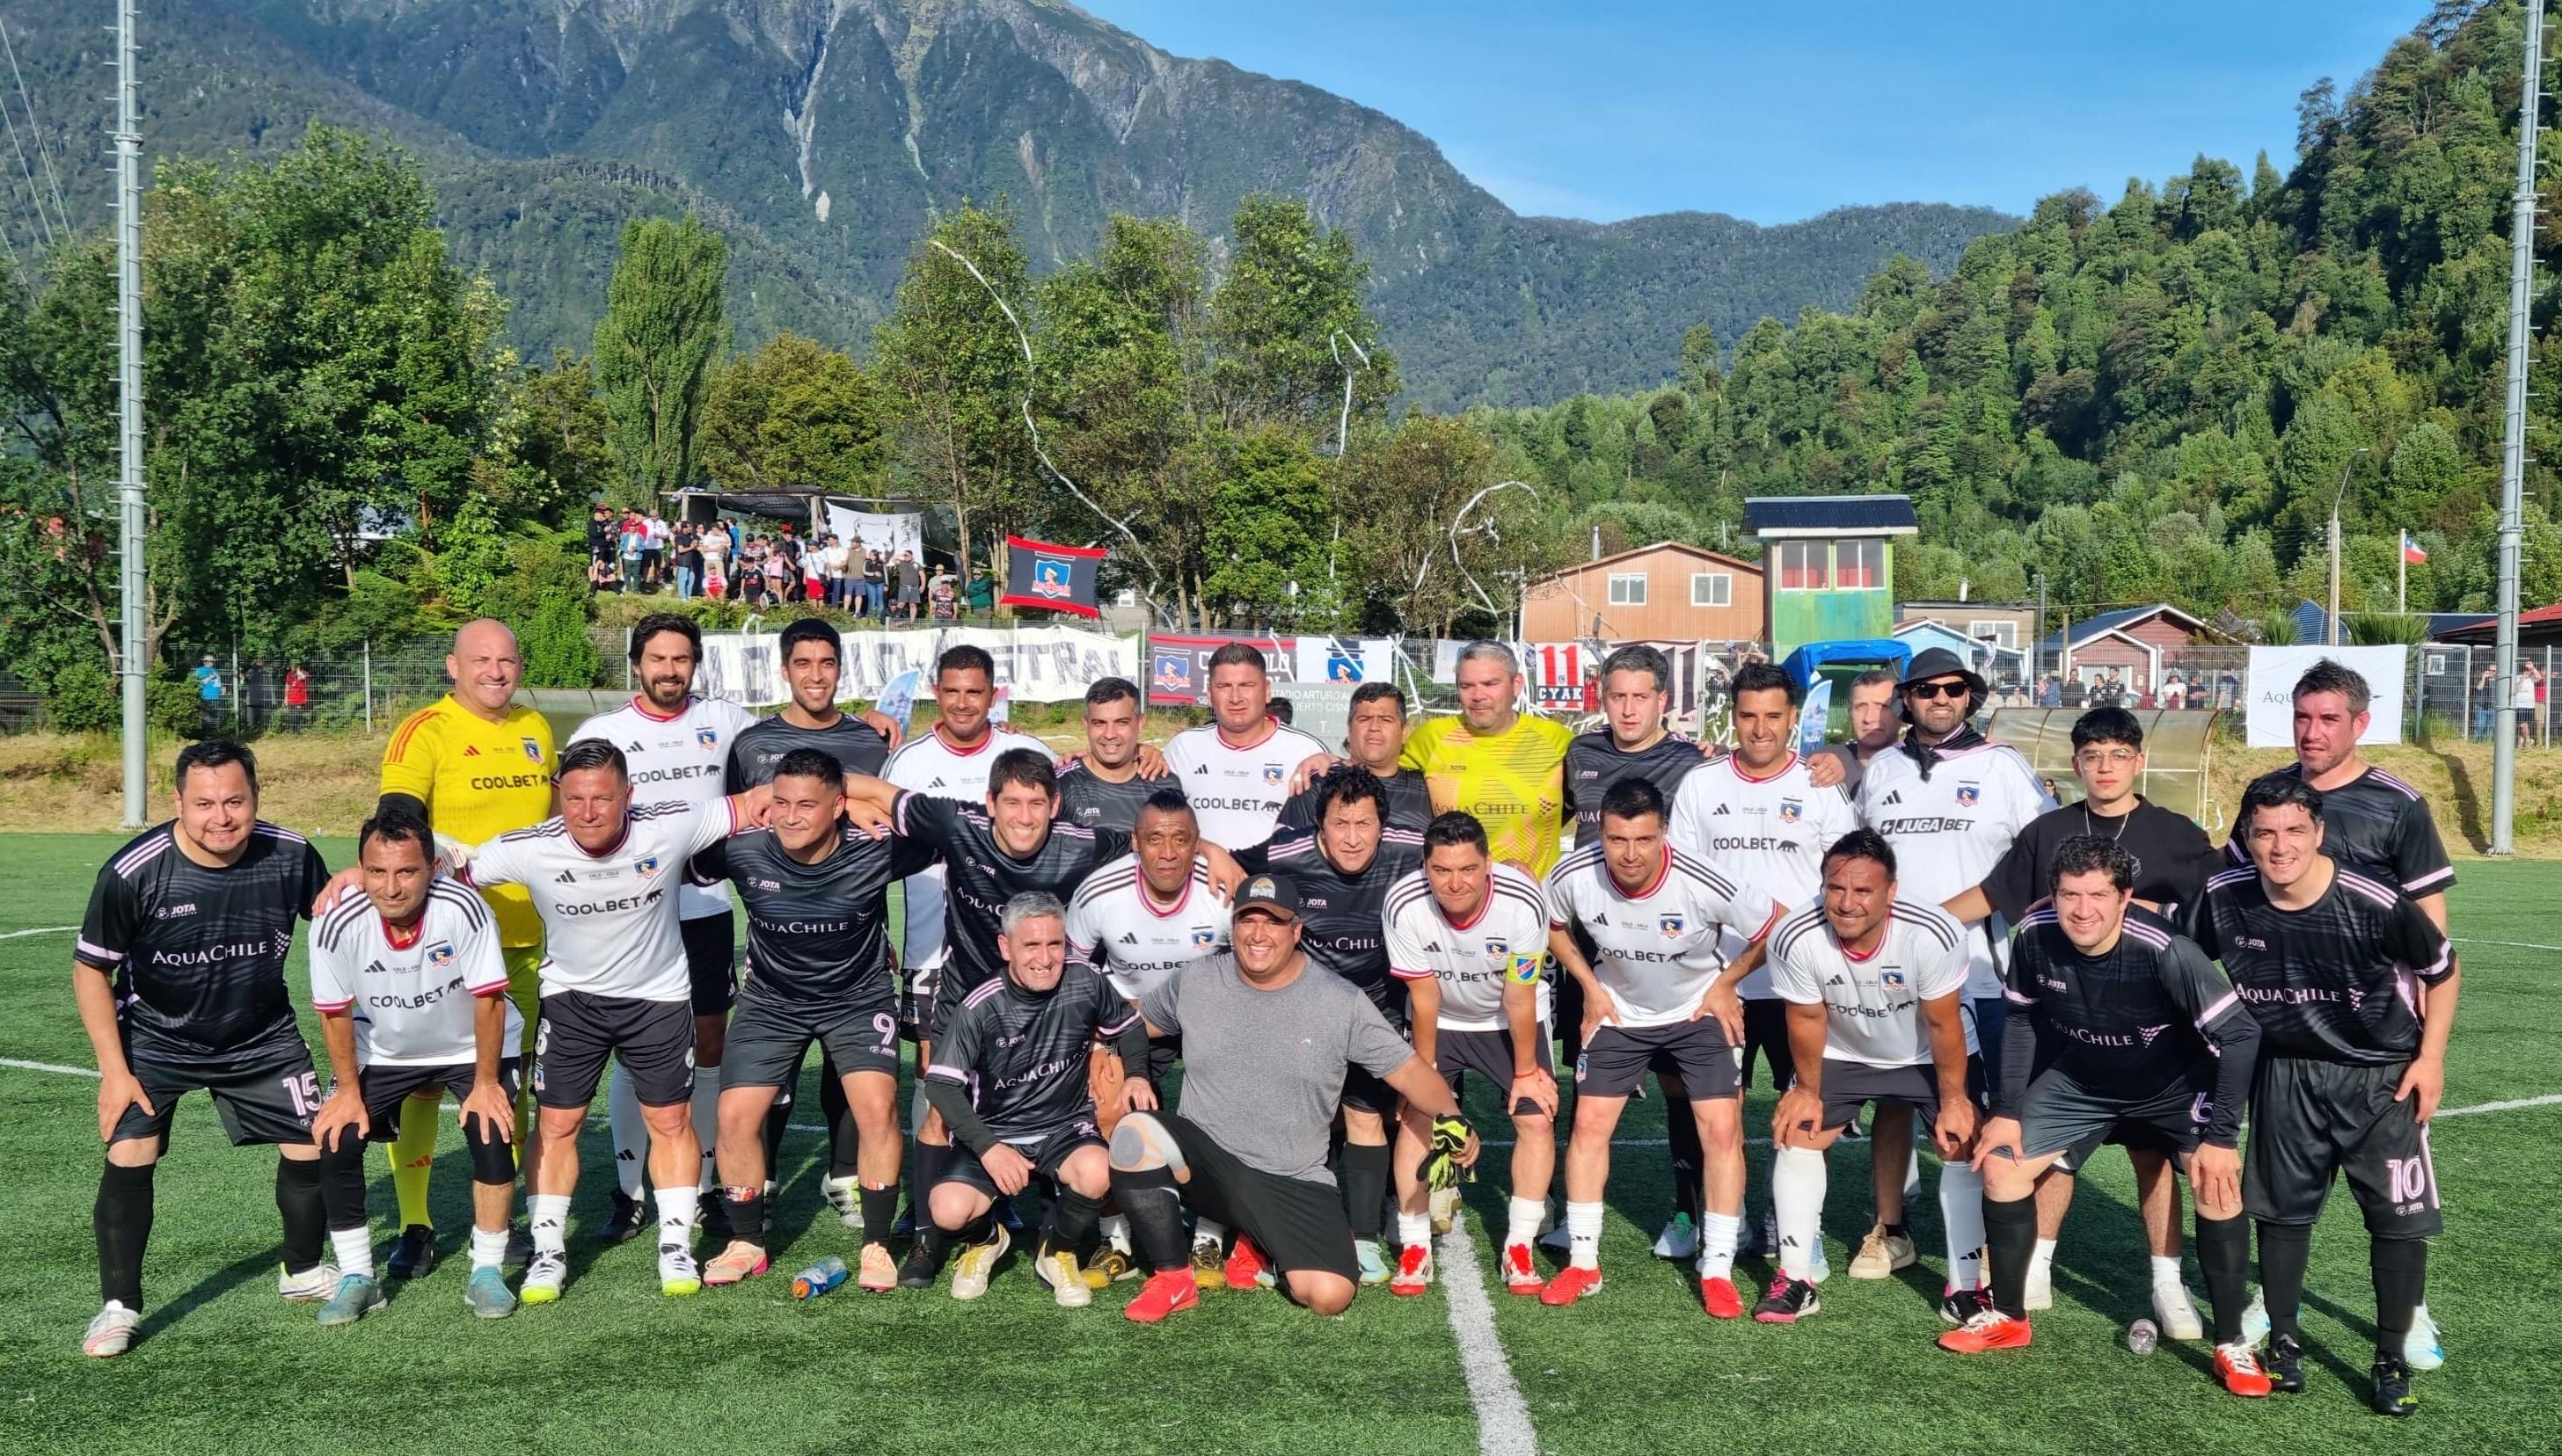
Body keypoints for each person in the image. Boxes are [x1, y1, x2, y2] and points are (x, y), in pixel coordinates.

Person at [454, 739, 771, 1303]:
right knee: (557, 1125)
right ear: (560, 795)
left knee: (670, 1121)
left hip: (658, 999)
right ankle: (548, 1252)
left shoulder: (668, 825)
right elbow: (449, 872)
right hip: (572, 1001)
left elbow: (760, 802)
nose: (587, 812)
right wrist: (356, 876)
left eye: (602, 798)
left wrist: (858, 793)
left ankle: (675, 1246)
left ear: (629, 794)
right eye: (574, 799)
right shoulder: (529, 848)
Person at [1946, 837, 2266, 1394]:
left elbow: (2241, 1033)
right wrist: (2008, 1111)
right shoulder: (2035, 933)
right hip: (2083, 1081)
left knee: (2216, 1186)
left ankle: (2232, 1345)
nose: (2082, 910)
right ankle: (2009, 1319)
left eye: (2098, 895)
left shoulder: (2167, 949)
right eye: (2070, 894)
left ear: (2124, 897)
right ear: (2053, 894)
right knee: (2000, 1163)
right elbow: (2019, 1021)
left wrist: (2220, 1139)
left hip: (2174, 1086)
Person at [1942, 706, 2224, 1328]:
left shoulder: (2175, 833)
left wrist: (2161, 917)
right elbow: (1994, 894)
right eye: (2092, 756)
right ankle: (2036, 1266)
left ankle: (2167, 1283)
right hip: (2065, 1027)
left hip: (2155, 1038)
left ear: (2138, 762)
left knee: (2152, 1158)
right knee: (2055, 1154)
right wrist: (1921, 924)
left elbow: (2218, 910)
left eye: (2118, 755)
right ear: (2075, 764)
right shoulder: (2049, 832)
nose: (2105, 767)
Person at [2188, 777, 2458, 1416]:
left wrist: (2430, 1060)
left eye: (2293, 830)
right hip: (2284, 1072)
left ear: (2319, 833)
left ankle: (2391, 1355)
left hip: (2380, 1076)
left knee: (2396, 1220)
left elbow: (2442, 971)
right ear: (2247, 837)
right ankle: (2284, 1342)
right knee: (2282, 1215)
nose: (2279, 846)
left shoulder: (2374, 900)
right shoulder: (2224, 896)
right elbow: (2180, 956)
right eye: (2264, 832)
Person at [1105, 873, 1478, 1321]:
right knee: (1134, 1132)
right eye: (1248, 920)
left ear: (1296, 930)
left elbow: (1410, 1070)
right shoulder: (1197, 980)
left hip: (1291, 1177)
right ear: (1233, 926)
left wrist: (1453, 1115)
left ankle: (1258, 1241)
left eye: (1273, 922)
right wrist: (1106, 1051)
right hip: (1205, 1168)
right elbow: (1129, 1023)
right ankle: (1173, 1278)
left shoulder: (1339, 1000)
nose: (1258, 934)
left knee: (1329, 1295)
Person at [75, 742, 336, 1357]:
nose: (221, 817)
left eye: (235, 802)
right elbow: (91, 971)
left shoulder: (290, 853)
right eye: (204, 804)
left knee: (312, 1141)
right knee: (131, 1150)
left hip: (261, 1035)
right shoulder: (133, 872)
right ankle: (119, 1307)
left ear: (256, 797)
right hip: (155, 1038)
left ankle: (301, 1271)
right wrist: (115, 1073)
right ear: (178, 802)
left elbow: (341, 919)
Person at [1540, 777, 1784, 1314]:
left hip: (1697, 1012)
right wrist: (1590, 985)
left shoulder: (1701, 877)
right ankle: (1583, 1263)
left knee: (1721, 1130)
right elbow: (1551, 926)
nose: (1630, 854)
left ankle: (1717, 1268)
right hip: (1620, 1013)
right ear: (1601, 833)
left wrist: (1726, 984)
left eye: (1644, 840)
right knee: (1588, 1126)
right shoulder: (1573, 873)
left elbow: (1775, 927)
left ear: (1664, 833)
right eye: (1617, 840)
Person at [691, 748, 928, 1293]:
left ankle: (876, 1243)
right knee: (734, 1116)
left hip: (858, 998)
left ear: (838, 807)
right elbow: (670, 846)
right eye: (781, 803)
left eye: (806, 805)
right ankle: (746, 1241)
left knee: (877, 1108)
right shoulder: (743, 850)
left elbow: (942, 824)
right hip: (771, 1002)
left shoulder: (876, 846)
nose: (790, 817)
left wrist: (866, 794)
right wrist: (747, 802)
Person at [369, 619, 556, 1277]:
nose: (496, 672)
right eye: (481, 660)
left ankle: (509, 1220)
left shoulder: (536, 728)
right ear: (454, 666)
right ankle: (415, 1224)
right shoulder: (426, 729)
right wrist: (448, 851)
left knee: (512, 1082)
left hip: (527, 939)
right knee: (424, 1083)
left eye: (507, 660)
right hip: (445, 946)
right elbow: (395, 819)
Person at [570, 615, 763, 1246]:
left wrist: (868, 726)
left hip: (704, 912)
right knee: (635, 1050)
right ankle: (628, 1193)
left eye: (681, 659)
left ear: (695, 664)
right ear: (637, 664)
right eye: (658, 659)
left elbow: (788, 750)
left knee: (709, 1047)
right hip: (628, 918)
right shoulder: (602, 733)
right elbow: (572, 818)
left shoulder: (726, 721)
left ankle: (701, 1188)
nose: (670, 671)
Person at [1746, 830, 1982, 1325]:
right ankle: (1795, 1279)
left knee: (1961, 1141)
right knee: (1798, 1132)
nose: (1847, 902)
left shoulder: (1933, 932)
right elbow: (1806, 1019)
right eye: (1836, 888)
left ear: (1891, 891)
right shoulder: (1795, 934)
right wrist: (1806, 1091)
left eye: (1863, 890)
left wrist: (1955, 1100)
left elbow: (1944, 1025)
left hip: (1923, 1052)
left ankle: (1966, 1287)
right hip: (1844, 1050)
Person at [1669, 662, 1860, 1270]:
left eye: (1773, 716)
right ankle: (1727, 1219)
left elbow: (1846, 879)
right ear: (1733, 716)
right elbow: (1681, 881)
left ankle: (1795, 1226)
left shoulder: (1819, 785)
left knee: (1803, 1104)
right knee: (1716, 1111)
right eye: (1748, 716)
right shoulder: (1700, 785)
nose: (1759, 729)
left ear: (1792, 718)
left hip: (1799, 983)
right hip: (1717, 982)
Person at [307, 808, 524, 1324]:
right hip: (384, 1049)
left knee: (492, 1130)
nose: (391, 887)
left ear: (431, 867)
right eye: (377, 872)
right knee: (337, 1137)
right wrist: (347, 1092)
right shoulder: (335, 919)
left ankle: (487, 1271)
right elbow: (334, 1014)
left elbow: (489, 1000)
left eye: (407, 871)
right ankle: (358, 1276)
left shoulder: (464, 908)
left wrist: (487, 1083)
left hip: (470, 1045)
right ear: (360, 869)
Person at [721, 618, 901, 1240]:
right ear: (784, 670)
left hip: (854, 938)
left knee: (849, 1072)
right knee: (771, 1073)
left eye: (827, 663)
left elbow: (884, 827)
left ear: (841, 670)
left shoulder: (871, 739)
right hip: (778, 942)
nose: (816, 675)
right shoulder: (752, 743)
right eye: (803, 663)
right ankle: (762, 1180)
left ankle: (845, 1175)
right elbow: (738, 825)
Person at [921, 892, 1152, 1305]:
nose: (1045, 958)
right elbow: (941, 1085)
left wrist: (1136, 1075)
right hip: (997, 1131)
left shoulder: (1085, 980)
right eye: (1031, 945)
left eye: (1054, 944)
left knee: (1099, 1171)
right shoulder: (980, 1006)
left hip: (1065, 1127)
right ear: (1006, 946)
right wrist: (989, 1148)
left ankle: (1056, 1253)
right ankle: (987, 1240)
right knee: (948, 1211)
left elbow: (1130, 1026)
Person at [1855, 646, 2055, 1110]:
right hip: (1893, 970)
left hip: (1978, 974)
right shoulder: (1883, 767)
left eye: (1954, 688)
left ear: (1968, 697)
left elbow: (2044, 852)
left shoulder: (2001, 764)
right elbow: (1859, 860)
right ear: (1908, 699)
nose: (1941, 698)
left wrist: (1982, 904)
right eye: (1927, 689)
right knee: (1896, 1106)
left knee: (1988, 1112)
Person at [1261, 768, 1427, 1286]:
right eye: (1340, 824)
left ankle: (1366, 1241)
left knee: (1365, 1116)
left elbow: (1462, 860)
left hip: (1380, 1009)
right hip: (1309, 1008)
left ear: (1383, 826)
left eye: (1364, 824)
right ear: (1320, 825)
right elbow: (1229, 863)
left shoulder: (1412, 849)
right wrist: (1212, 852)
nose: (1352, 838)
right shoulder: (1285, 855)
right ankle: (1292, 1231)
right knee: (1300, 1120)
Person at [1383, 812, 1557, 1295]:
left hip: (1508, 1018)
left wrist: (1526, 1072)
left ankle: (1519, 1247)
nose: (1455, 883)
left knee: (1535, 1117)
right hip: (1439, 1018)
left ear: (1488, 865)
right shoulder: (1403, 902)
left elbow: (1519, 996)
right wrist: (1425, 1076)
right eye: (1442, 870)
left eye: (1467, 869)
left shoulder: (1524, 901)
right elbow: (1424, 997)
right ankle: (1415, 1245)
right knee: (1417, 1118)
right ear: (1425, 866)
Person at [1064, 789, 1230, 1282]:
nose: (1168, 852)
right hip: (1127, 1020)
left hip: (1207, 1017)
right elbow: (1074, 979)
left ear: (1197, 844)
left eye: (1181, 839)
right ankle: (1116, 1239)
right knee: (1107, 1104)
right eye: (1155, 839)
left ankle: (1209, 1236)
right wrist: (1095, 1045)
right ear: (1135, 842)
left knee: (1223, 1108)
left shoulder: (1223, 890)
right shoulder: (1099, 892)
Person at [1403, 640, 1578, 877]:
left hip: (1533, 894)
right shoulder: (1430, 738)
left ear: (1516, 684)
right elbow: (1380, 777)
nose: (1477, 696)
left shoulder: (1557, 741)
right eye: (1466, 686)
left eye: (1490, 684)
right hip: (1455, 891)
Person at [1162, 642, 1330, 853]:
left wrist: (1338, 763)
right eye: (1224, 687)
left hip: (1276, 873)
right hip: (1202, 873)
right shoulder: (1183, 748)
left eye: (1246, 685)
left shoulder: (1307, 750)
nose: (1235, 698)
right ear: (1210, 694)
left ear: (1267, 691)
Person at [1277, 681, 1433, 835]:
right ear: (1349, 729)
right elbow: (1283, 847)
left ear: (1404, 732)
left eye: (1386, 720)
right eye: (1364, 719)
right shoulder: (1318, 784)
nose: (1374, 727)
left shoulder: (1426, 789)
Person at [1055, 677, 1180, 834]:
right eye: (1099, 723)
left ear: (1140, 722)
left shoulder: (1165, 785)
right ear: (1086, 724)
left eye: (1122, 722)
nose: (1110, 734)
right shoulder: (1060, 784)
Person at [190, 655, 224, 736]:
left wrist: (222, 689)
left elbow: (218, 683)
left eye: (212, 661)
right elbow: (199, 682)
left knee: (214, 716)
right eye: (207, 661)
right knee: (206, 716)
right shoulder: (200, 670)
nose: (210, 663)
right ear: (204, 662)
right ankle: (206, 733)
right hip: (206, 696)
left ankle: (214, 733)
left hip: (216, 696)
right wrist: (210, 677)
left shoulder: (215, 670)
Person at [894, 550, 923, 621]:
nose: (906, 557)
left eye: (907, 555)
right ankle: (895, 620)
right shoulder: (901, 563)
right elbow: (893, 559)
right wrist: (902, 554)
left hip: (914, 587)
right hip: (903, 587)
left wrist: (923, 585)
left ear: (912, 556)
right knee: (901, 604)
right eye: (905, 556)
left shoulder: (917, 564)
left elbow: (922, 575)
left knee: (913, 604)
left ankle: (912, 622)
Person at [282, 661, 312, 729]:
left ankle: (297, 730)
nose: (292, 667)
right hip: (291, 697)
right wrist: (286, 697)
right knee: (291, 714)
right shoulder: (289, 674)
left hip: (300, 697)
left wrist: (298, 670)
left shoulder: (304, 673)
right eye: (291, 666)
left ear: (298, 667)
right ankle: (292, 729)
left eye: (294, 666)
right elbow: (287, 686)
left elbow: (303, 677)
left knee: (297, 714)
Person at [860, 546, 887, 619]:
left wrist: (886, 584)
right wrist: (874, 573)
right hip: (870, 584)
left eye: (873, 555)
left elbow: (885, 574)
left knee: (880, 601)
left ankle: (879, 617)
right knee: (872, 600)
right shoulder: (866, 562)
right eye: (870, 555)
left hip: (880, 584)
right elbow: (864, 572)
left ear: (876, 555)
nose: (872, 556)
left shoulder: (881, 563)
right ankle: (870, 616)